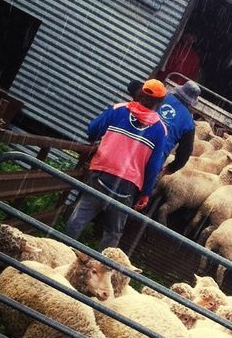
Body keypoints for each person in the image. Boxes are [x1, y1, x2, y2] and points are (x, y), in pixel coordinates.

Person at [63, 79, 168, 250]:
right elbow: (154, 165)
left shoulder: (119, 110)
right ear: (160, 102)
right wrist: (146, 193)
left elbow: (92, 131)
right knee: (113, 231)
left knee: (79, 217)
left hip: (102, 172)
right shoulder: (160, 129)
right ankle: (102, 268)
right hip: (128, 185)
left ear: (141, 92)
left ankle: (61, 253)